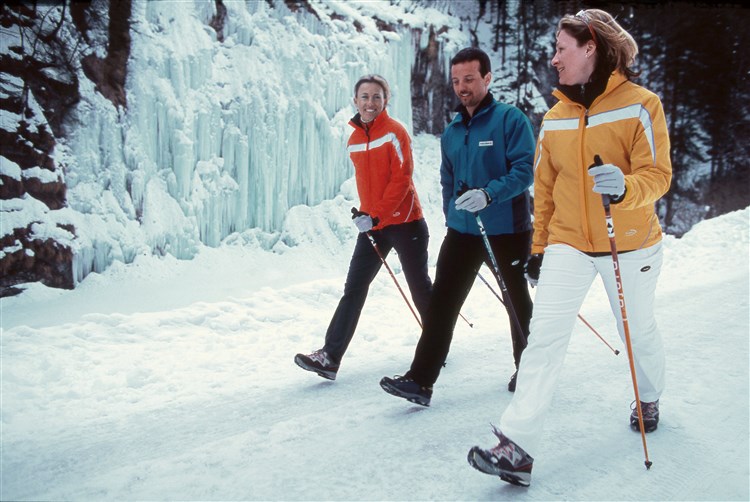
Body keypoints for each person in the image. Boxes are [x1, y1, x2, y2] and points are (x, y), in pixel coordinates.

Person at [467, 9, 672, 487]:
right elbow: (548, 188)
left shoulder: (642, 104)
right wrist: (539, 247)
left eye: (562, 48)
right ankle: (517, 447)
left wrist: (624, 187)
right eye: (554, 49)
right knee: (544, 340)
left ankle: (648, 395)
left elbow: (658, 175)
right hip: (569, 243)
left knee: (637, 330)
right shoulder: (555, 116)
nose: (554, 58)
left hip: (630, 243)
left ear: (591, 48)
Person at [379, 47, 535, 406]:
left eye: (469, 79)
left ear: (487, 78)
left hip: (506, 231)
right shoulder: (451, 131)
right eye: (456, 81)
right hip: (462, 233)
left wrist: (489, 194)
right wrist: (452, 214)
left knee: (516, 304)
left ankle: (530, 371)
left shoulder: (510, 119)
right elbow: (447, 176)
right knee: (442, 305)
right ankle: (420, 381)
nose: (462, 87)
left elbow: (524, 170)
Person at [294, 74, 432, 381]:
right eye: (365, 97)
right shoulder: (354, 139)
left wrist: (377, 214)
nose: (370, 103)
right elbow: (369, 185)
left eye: (377, 97)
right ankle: (329, 357)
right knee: (353, 288)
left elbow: (402, 179)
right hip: (374, 225)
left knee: (419, 288)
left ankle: (436, 345)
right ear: (355, 101)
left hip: (406, 222)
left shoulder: (396, 132)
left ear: (386, 100)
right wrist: (366, 215)